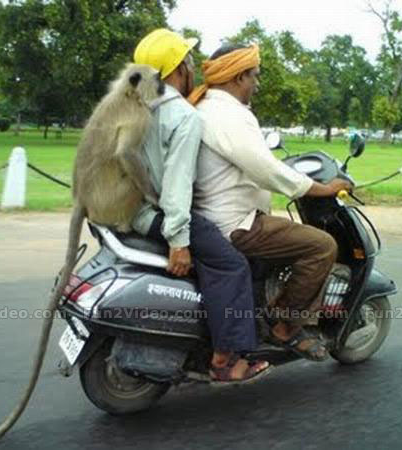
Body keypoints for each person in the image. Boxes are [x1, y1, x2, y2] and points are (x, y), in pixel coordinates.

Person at [190, 43, 354, 361]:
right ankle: (284, 328)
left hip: (213, 217)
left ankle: (262, 312)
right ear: (239, 77)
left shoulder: (205, 107)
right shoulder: (230, 115)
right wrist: (322, 189)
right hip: (236, 222)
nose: (257, 83)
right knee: (322, 246)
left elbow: (256, 163)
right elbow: (265, 170)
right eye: (254, 76)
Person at [132, 30, 269, 382]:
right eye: (189, 61)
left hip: (130, 209)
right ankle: (226, 359)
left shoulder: (137, 104)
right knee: (231, 265)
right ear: (179, 69)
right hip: (157, 213)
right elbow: (177, 184)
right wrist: (179, 241)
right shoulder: (182, 114)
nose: (192, 69)